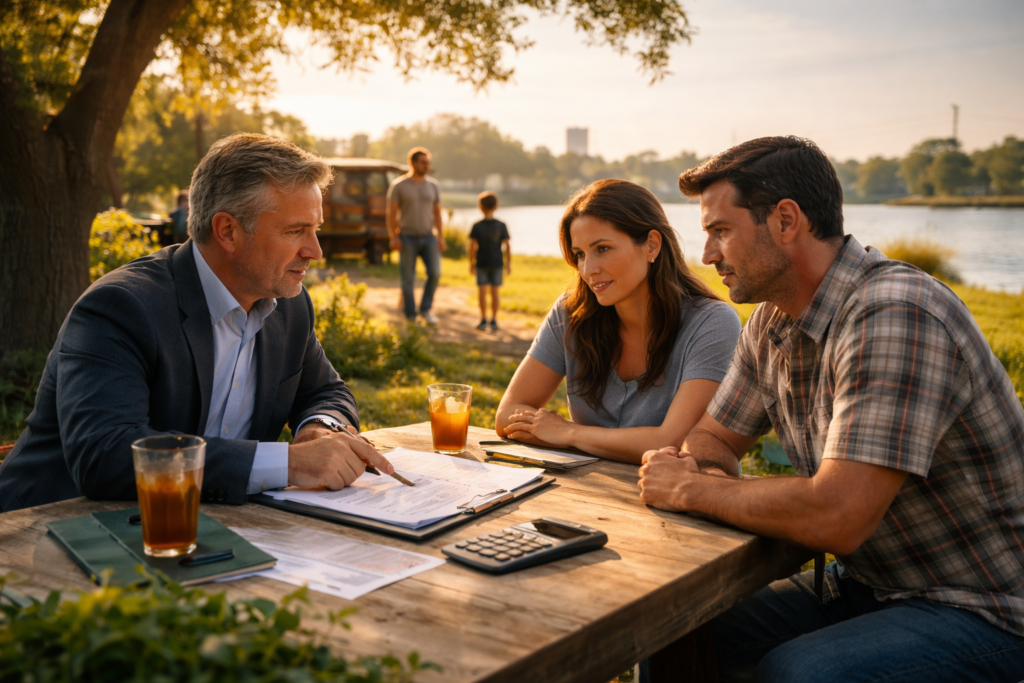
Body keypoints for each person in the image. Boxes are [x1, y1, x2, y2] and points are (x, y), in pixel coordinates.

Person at [638, 136, 1024, 681]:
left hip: (985, 607)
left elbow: (838, 514)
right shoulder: (772, 322)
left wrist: (694, 489)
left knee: (801, 673)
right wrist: (702, 470)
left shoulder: (896, 315)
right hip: (869, 585)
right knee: (673, 628)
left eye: (720, 231)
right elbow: (713, 439)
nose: (707, 256)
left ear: (786, 221)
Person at [0, 133, 396, 513]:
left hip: (200, 526)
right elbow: (106, 454)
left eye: (315, 230)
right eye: (296, 231)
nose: (315, 251)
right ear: (227, 231)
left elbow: (325, 391)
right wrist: (288, 463)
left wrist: (320, 428)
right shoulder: (121, 306)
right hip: (47, 535)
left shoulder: (288, 305)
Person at [495, 179, 741, 463]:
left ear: (651, 245)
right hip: (586, 492)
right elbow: (507, 413)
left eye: (602, 249)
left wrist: (568, 433)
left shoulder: (711, 324)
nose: (589, 270)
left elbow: (672, 441)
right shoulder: (570, 312)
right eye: (580, 254)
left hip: (673, 498)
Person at [386, 147, 445, 325]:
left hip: (428, 237)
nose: (427, 166)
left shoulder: (433, 185)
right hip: (407, 237)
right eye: (423, 162)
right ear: (412, 163)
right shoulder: (399, 185)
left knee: (435, 273)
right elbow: (391, 213)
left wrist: (441, 237)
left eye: (428, 162)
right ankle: (410, 315)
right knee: (408, 279)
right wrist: (393, 237)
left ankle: (425, 310)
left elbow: (437, 213)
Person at [469, 191, 511, 331]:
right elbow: (507, 246)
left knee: (482, 292)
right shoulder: (501, 225)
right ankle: (493, 320)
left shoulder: (476, 225)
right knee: (495, 292)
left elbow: (472, 247)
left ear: (480, 207)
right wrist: (508, 264)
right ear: (496, 206)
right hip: (497, 263)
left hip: (481, 263)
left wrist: (471, 263)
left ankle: (482, 319)